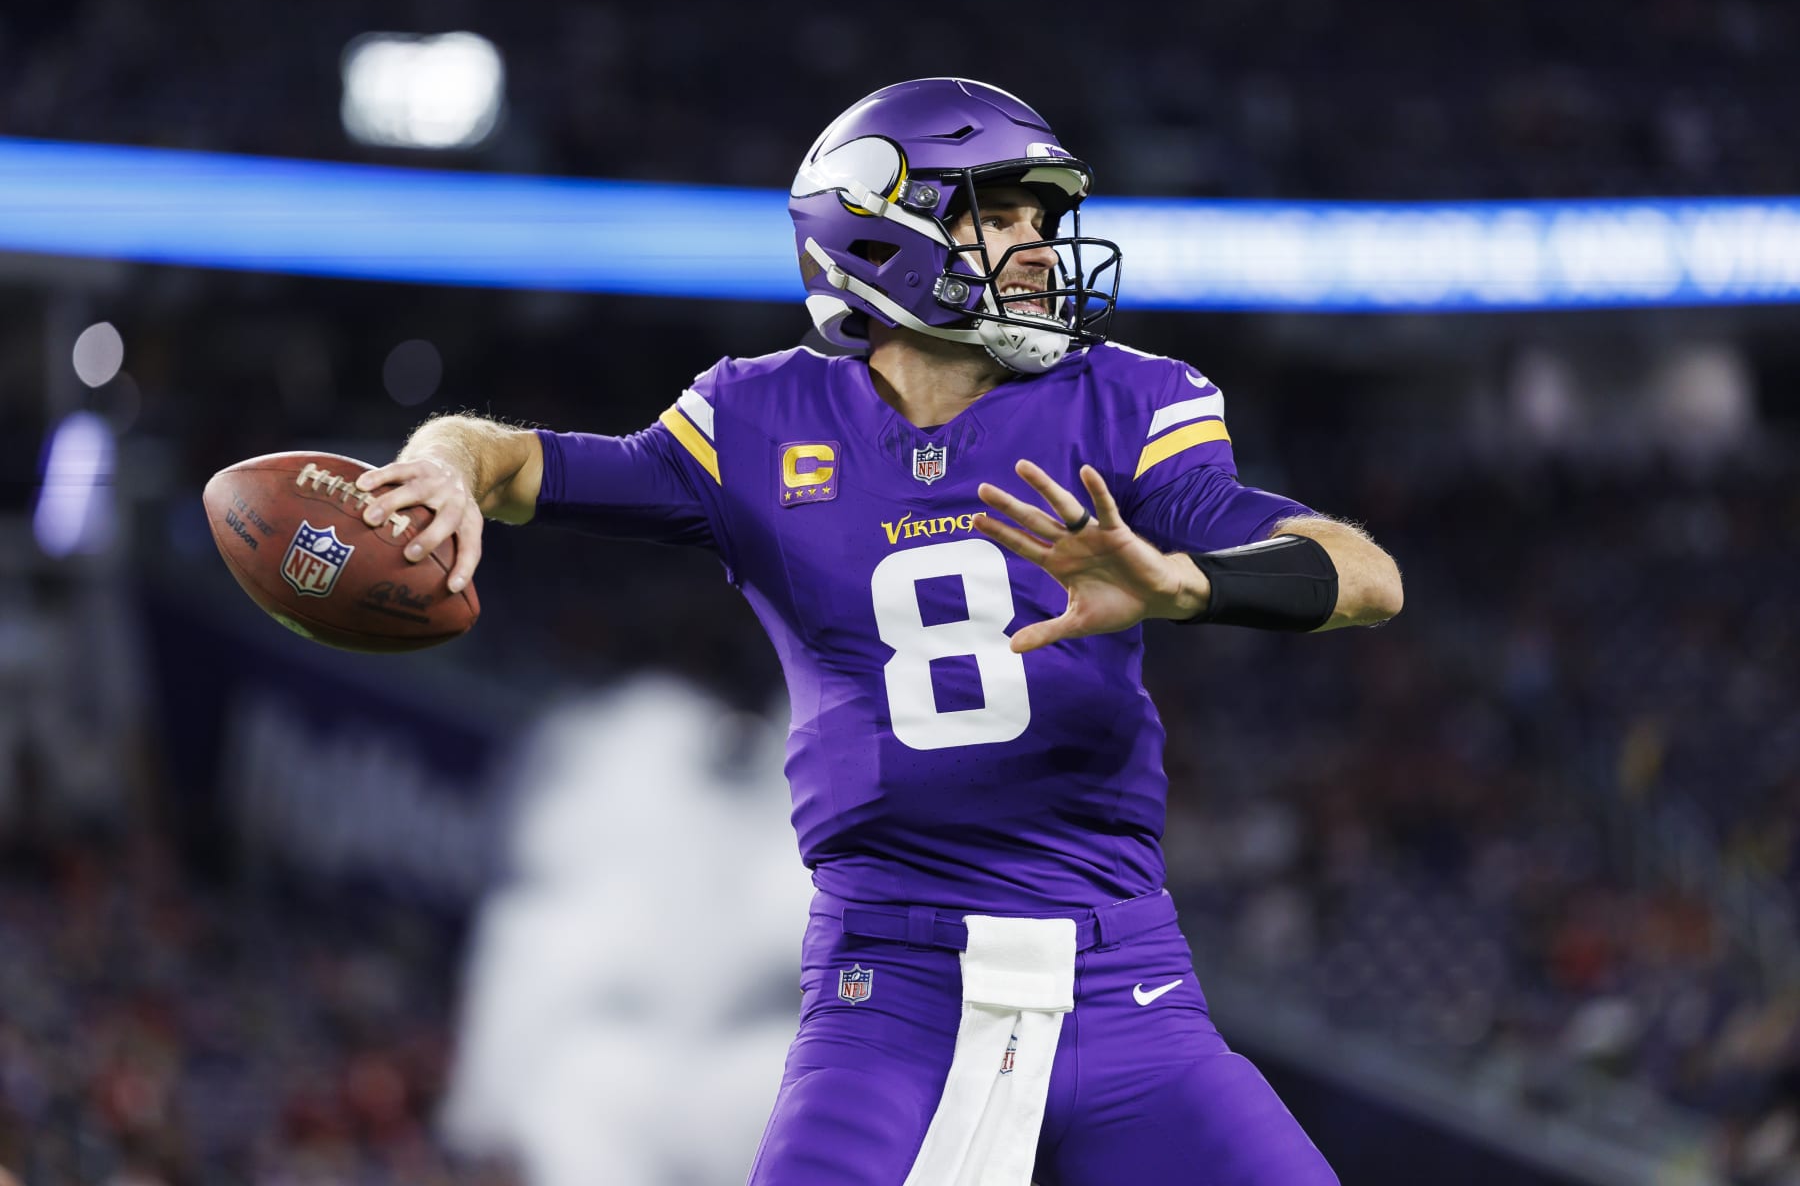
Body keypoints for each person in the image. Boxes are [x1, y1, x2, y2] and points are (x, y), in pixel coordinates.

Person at [358, 78, 1401, 1185]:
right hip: (890, 990)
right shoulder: (753, 420)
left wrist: (1186, 584)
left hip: (1123, 983)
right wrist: (443, 462)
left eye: (1043, 220)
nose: (1039, 248)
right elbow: (512, 462)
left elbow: (1368, 578)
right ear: (879, 234)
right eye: (999, 216)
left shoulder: (1126, 402)